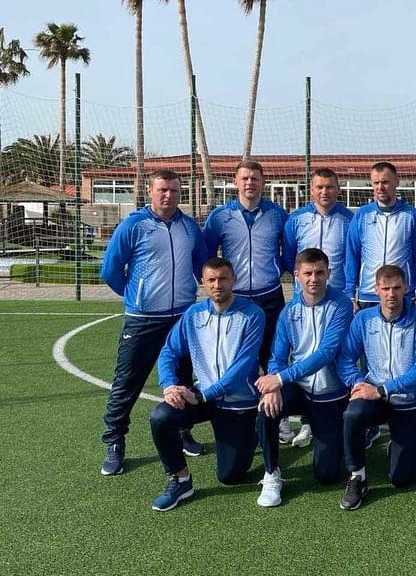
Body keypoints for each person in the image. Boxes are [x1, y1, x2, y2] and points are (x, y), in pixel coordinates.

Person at [98, 169, 207, 476]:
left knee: (183, 379)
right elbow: (110, 270)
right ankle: (115, 441)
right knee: (127, 382)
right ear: (150, 191)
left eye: (174, 190)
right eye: (163, 190)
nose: (169, 195)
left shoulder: (189, 227)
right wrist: (137, 297)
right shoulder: (133, 225)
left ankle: (183, 432)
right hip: (143, 320)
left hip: (181, 318)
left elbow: (201, 266)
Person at [148, 258, 265, 511]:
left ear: (234, 280)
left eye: (223, 278)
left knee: (230, 476)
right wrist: (169, 385)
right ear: (203, 282)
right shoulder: (194, 314)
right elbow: (169, 351)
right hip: (202, 396)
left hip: (238, 404)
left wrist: (204, 395)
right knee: (161, 417)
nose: (217, 285)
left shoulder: (252, 314)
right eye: (211, 280)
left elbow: (243, 367)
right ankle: (180, 480)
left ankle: (252, 433)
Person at [253, 248, 354, 507]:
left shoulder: (341, 304)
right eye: (308, 273)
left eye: (319, 273)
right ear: (296, 275)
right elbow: (277, 356)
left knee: (327, 476)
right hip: (299, 389)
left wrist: (280, 378)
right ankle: (271, 474)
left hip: (331, 395)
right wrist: (274, 387)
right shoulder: (289, 311)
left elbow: (326, 353)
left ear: (328, 273)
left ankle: (331, 436)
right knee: (266, 408)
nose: (314, 279)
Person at [337, 265, 416, 511]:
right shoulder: (363, 319)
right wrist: (357, 382)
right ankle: (357, 476)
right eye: (386, 288)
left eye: (396, 288)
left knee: (401, 479)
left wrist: (382, 389)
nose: (391, 294)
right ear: (376, 290)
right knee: (352, 413)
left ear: (406, 288)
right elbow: (346, 359)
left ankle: (401, 443)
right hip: (374, 398)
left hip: (408, 402)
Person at [281, 167, 353, 447]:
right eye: (319, 187)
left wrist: (350, 295)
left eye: (330, 186)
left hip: (338, 301)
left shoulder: (350, 219)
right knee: (304, 352)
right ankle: (307, 421)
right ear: (311, 189)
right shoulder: (296, 220)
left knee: (339, 357)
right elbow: (289, 257)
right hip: (304, 301)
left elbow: (353, 257)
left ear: (338, 189)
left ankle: (344, 416)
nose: (325, 191)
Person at [202, 160, 288, 374]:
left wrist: (275, 271)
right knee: (236, 358)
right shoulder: (219, 217)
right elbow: (208, 257)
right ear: (235, 182)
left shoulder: (277, 214)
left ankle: (274, 395)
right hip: (234, 297)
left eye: (254, 178)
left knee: (272, 358)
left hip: (270, 296)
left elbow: (289, 253)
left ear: (263, 182)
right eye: (245, 178)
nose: (250, 182)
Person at [344, 161, 416, 312]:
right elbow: (352, 255)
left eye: (385, 182)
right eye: (376, 183)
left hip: (401, 293)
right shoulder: (362, 215)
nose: (380, 187)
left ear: (396, 182)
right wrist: (350, 293)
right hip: (369, 294)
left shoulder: (411, 215)